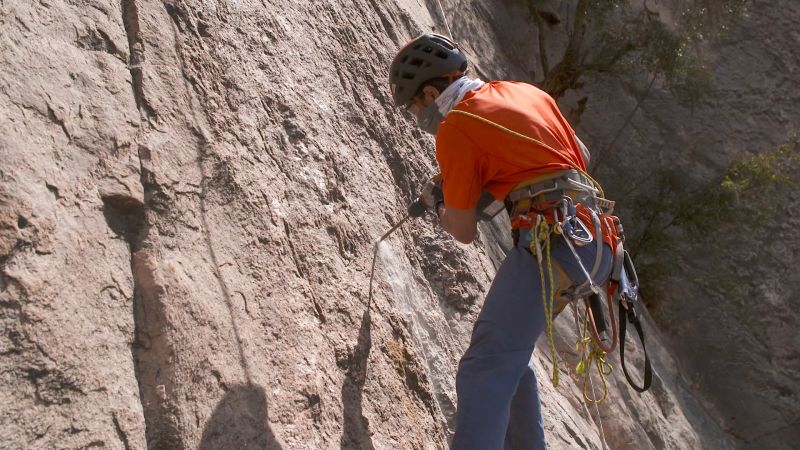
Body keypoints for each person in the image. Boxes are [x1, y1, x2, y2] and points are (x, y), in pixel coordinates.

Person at [388, 33, 621, 449]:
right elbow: (579, 156)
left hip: (553, 241)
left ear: (429, 92)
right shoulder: (524, 92)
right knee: (509, 359)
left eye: (414, 107)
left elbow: (463, 231)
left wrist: (447, 201)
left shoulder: (456, 127)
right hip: (595, 239)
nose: (416, 117)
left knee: (485, 368)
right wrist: (501, 175)